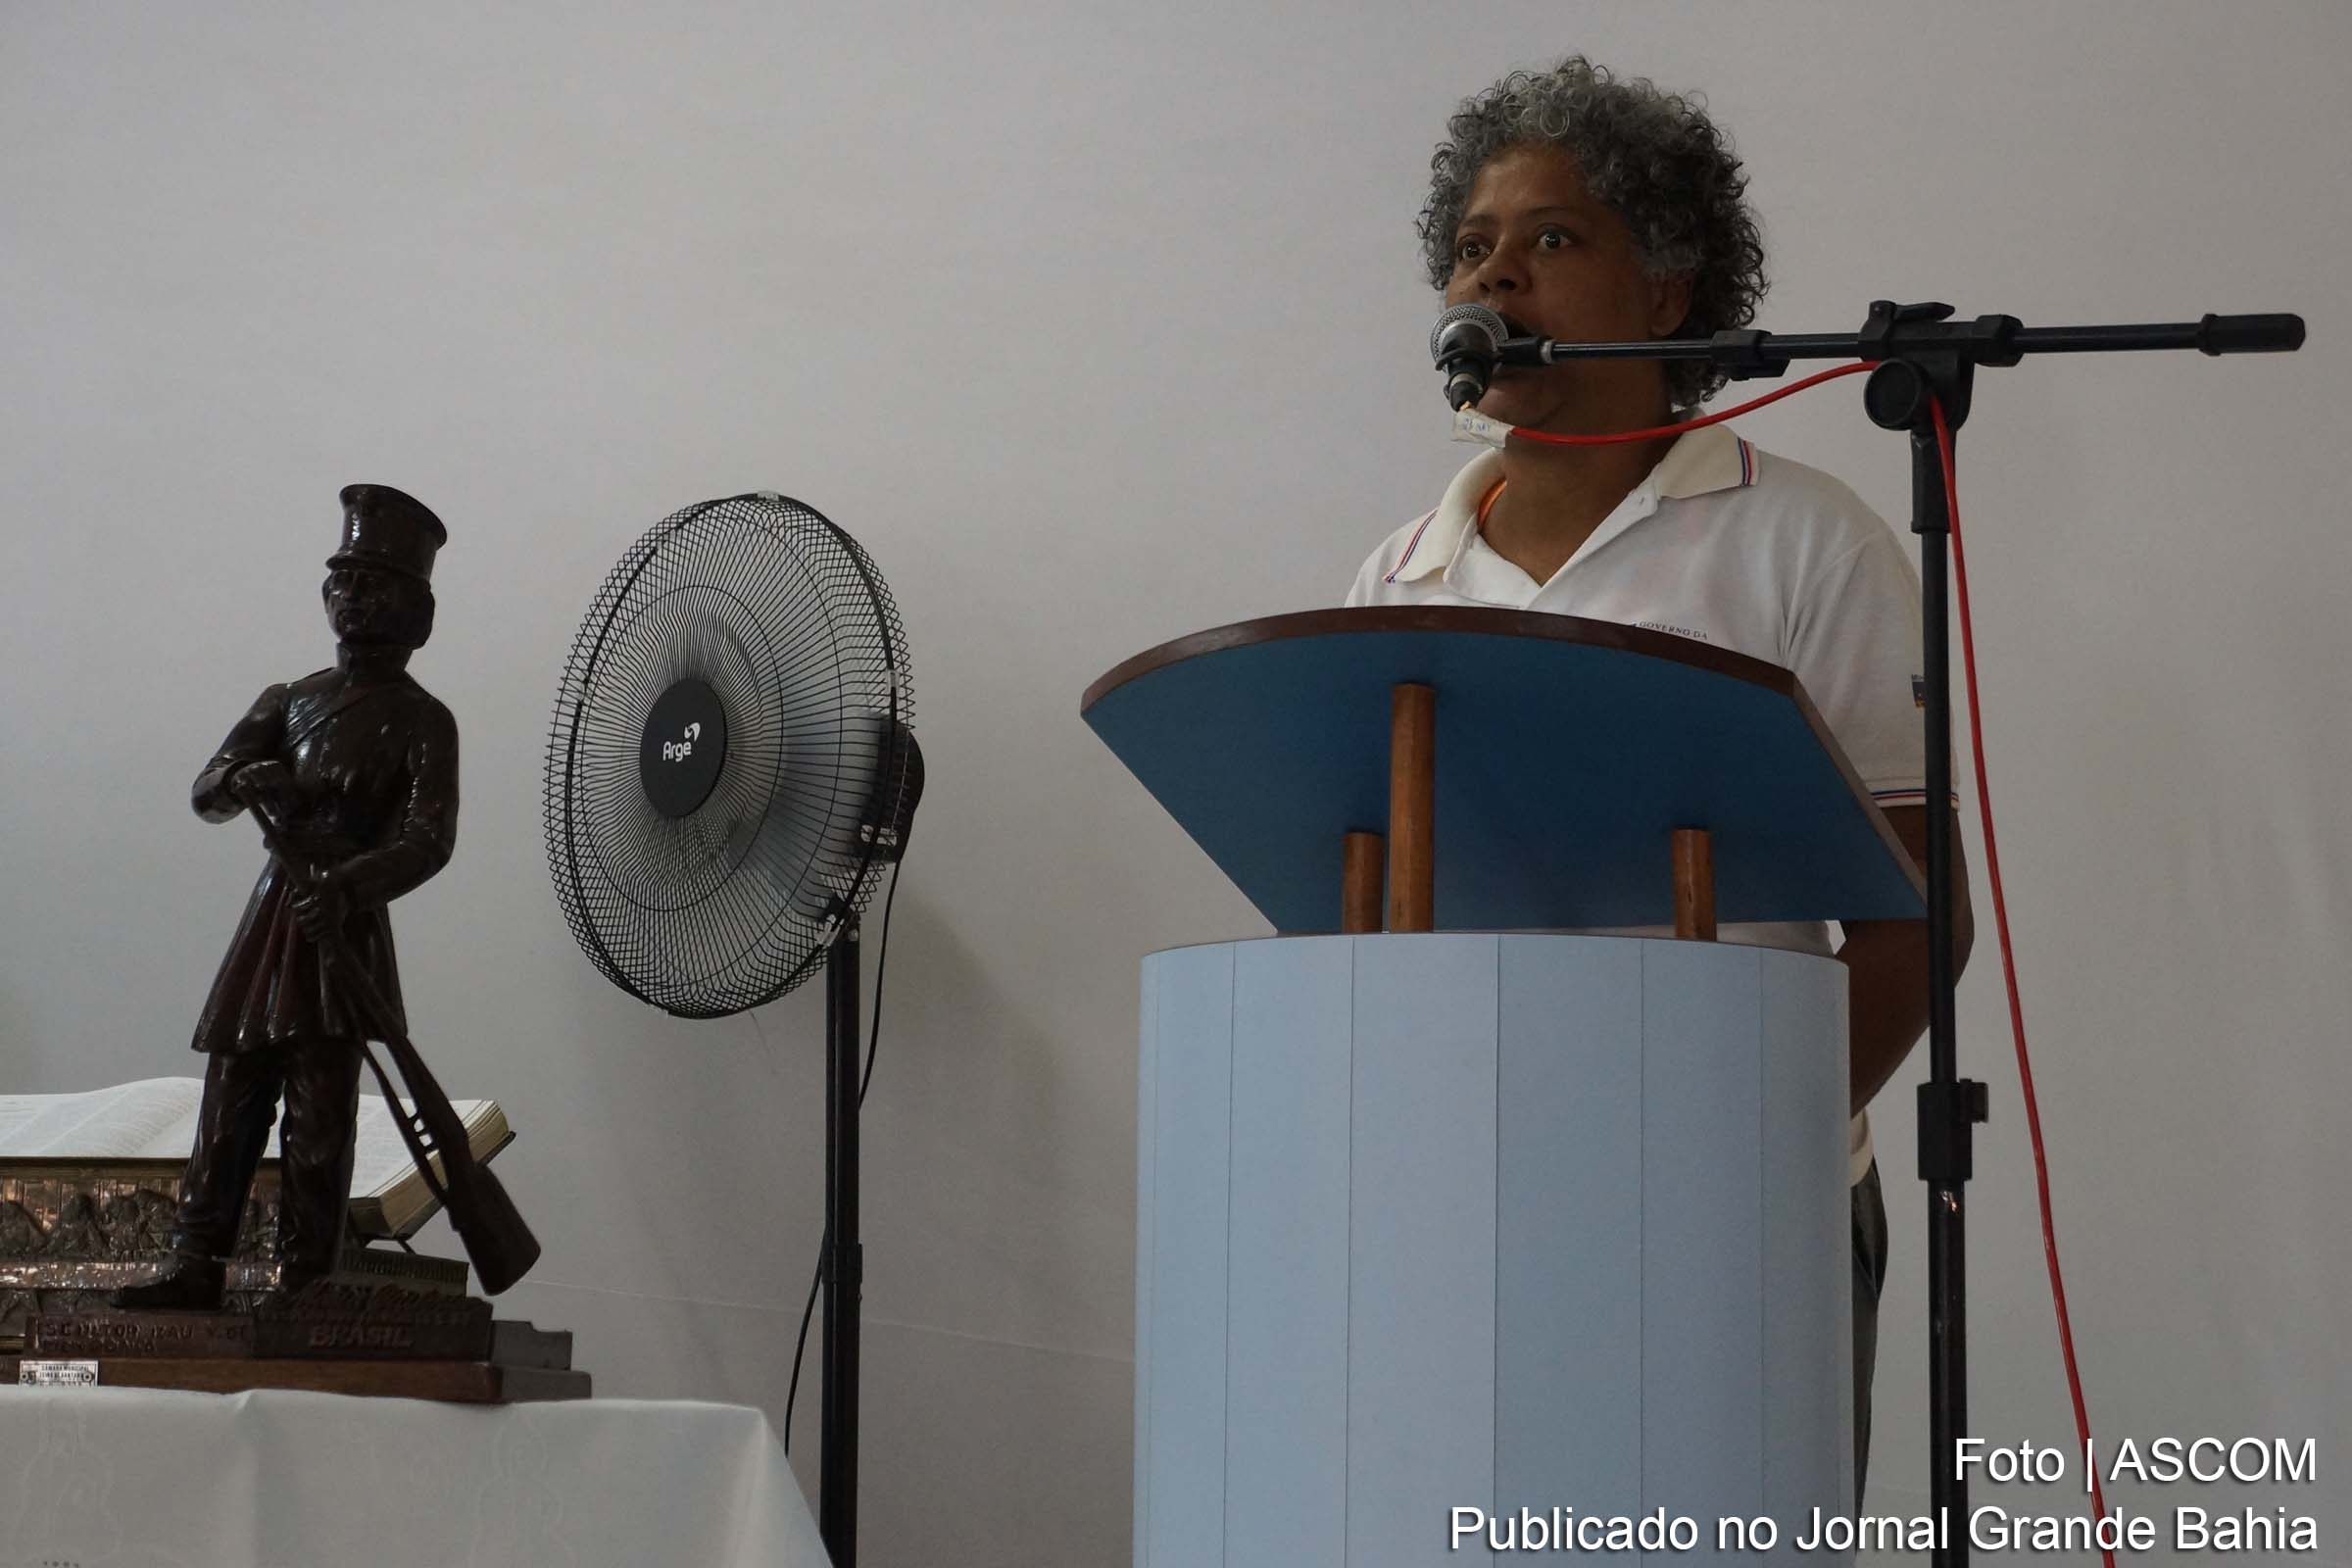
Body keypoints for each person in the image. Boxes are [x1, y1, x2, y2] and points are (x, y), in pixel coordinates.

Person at [1345, 56, 1975, 1503]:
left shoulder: (1805, 544)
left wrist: (1747, 1147)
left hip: (1734, 1213)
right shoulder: (1398, 578)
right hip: (1467, 1215)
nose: (1493, 272)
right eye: (1470, 247)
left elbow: (1917, 916)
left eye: (1551, 239)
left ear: (1674, 291)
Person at [114, 484, 459, 1311]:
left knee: (320, 1106)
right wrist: (242, 775)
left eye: (371, 583)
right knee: (232, 1091)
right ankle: (196, 1258)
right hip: (275, 918)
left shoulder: (422, 720)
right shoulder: (290, 700)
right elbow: (207, 789)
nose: (350, 597)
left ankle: (308, 1276)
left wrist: (347, 884)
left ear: (414, 612)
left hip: (340, 919)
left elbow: (428, 839)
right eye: (340, 580)